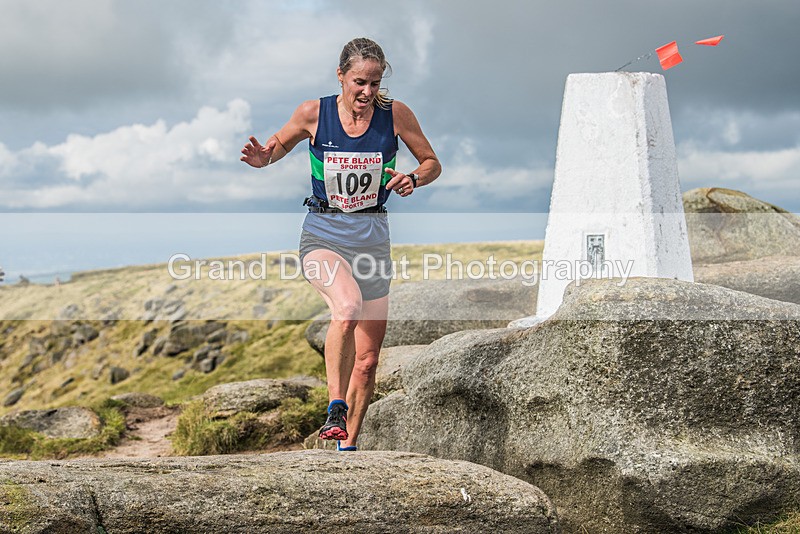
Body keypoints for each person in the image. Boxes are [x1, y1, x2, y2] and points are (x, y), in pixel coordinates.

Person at [241, 38, 441, 451]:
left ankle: (346, 447)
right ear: (340, 76)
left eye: (375, 83)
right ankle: (335, 407)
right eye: (359, 82)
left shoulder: (396, 115)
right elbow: (277, 146)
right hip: (323, 235)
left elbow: (432, 163)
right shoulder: (313, 113)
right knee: (347, 308)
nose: (367, 92)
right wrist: (263, 159)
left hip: (373, 241)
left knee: (367, 362)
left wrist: (413, 178)